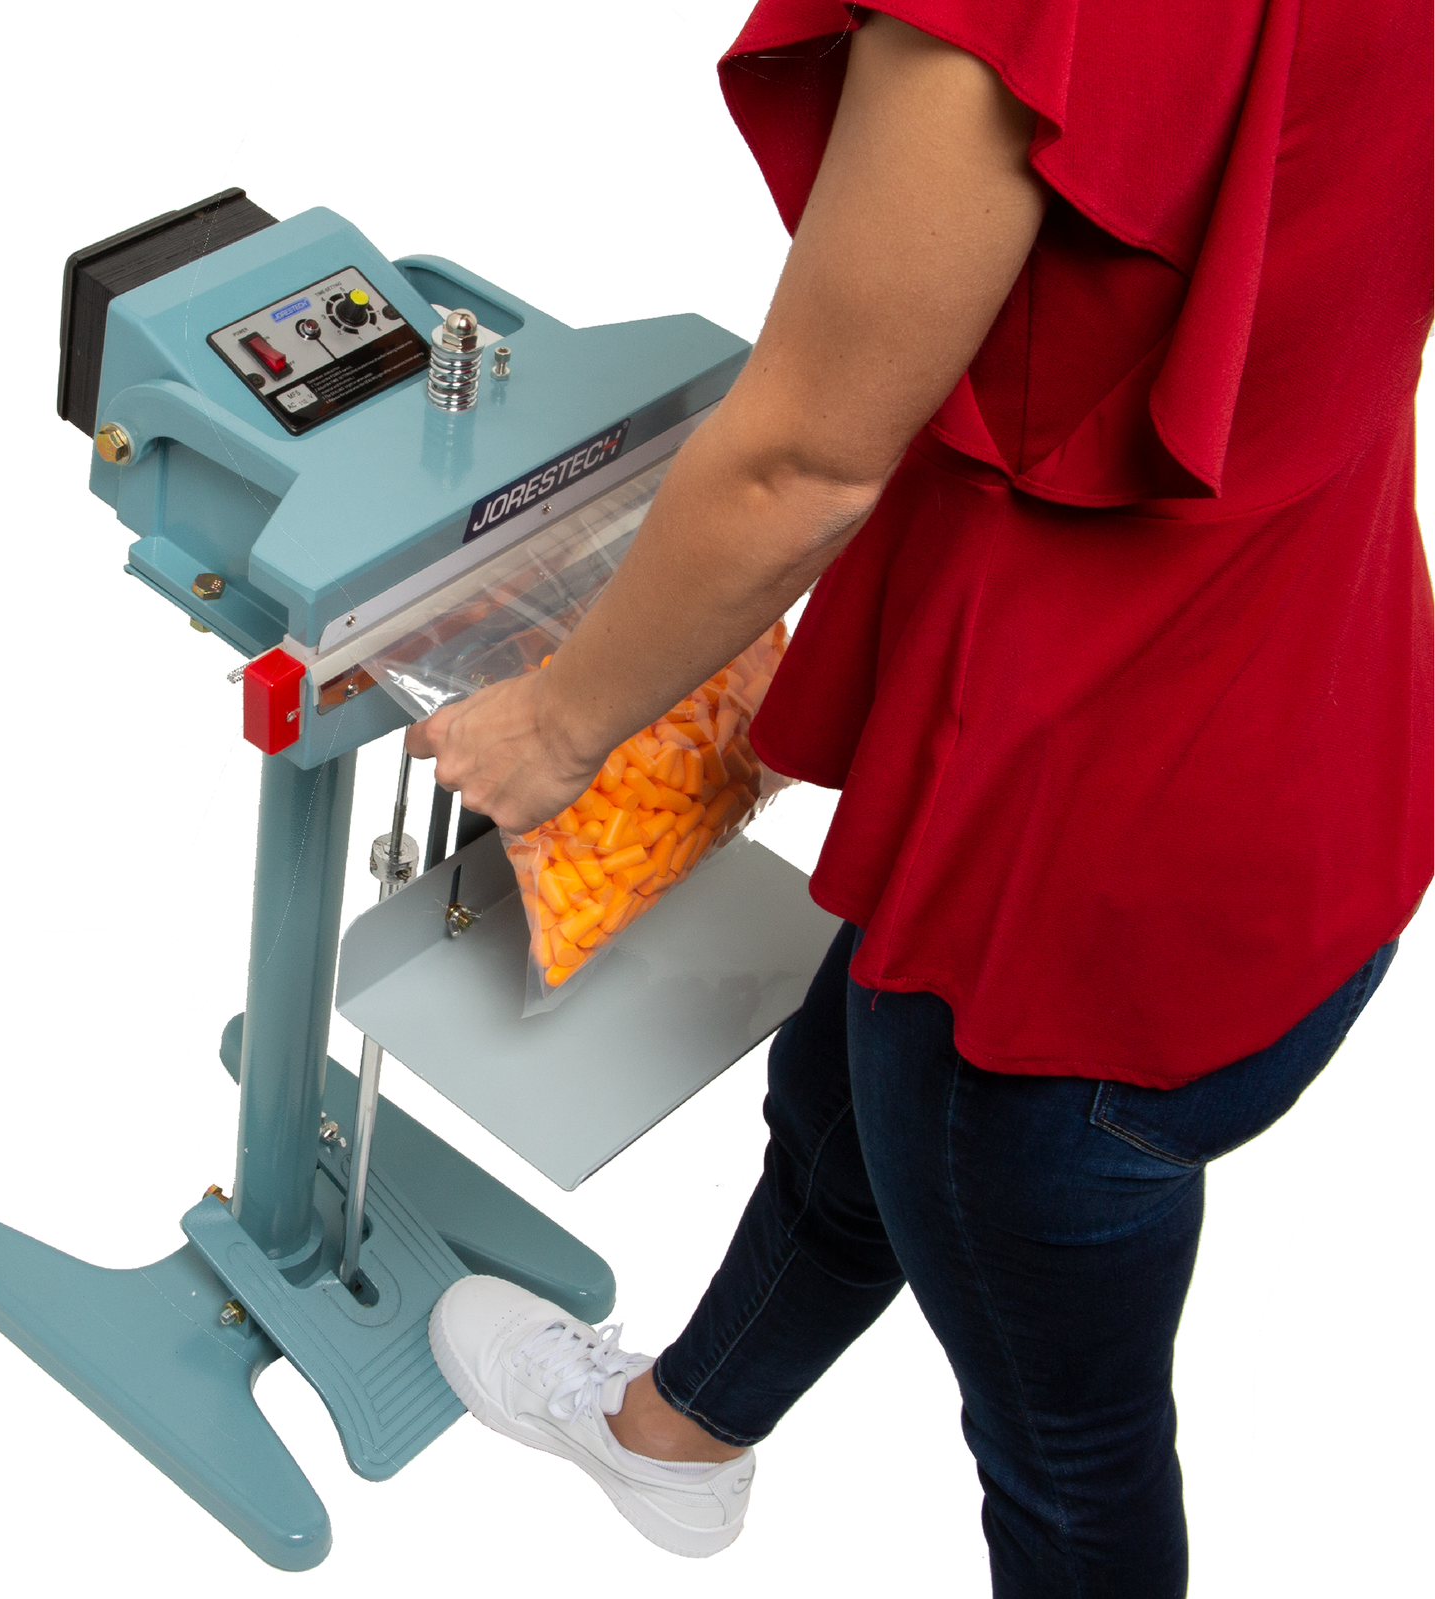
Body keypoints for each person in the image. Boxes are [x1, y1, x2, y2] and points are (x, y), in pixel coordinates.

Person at [410, 3, 1432, 1592]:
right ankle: (674, 1436)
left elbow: (803, 464)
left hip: (1070, 911)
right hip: (1318, 766)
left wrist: (558, 723)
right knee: (843, 1118)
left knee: (1069, 1465)